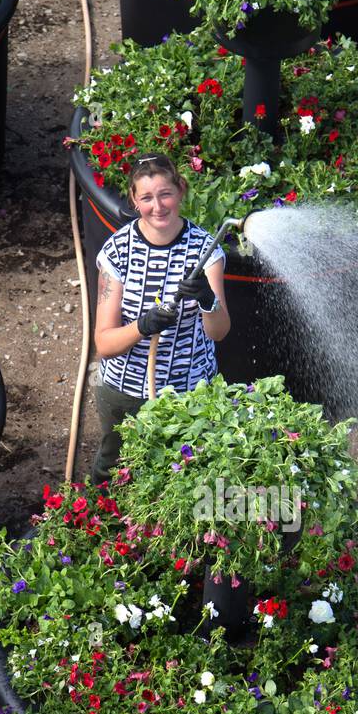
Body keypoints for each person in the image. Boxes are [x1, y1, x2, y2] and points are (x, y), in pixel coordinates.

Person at [90, 152, 231, 484]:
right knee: (115, 471)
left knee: (181, 479)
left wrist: (207, 299)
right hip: (125, 392)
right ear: (135, 202)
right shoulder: (117, 252)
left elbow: (220, 332)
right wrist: (142, 326)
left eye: (165, 193)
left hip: (190, 393)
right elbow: (104, 344)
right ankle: (102, 527)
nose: (158, 206)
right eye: (147, 198)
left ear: (180, 190)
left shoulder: (205, 251)